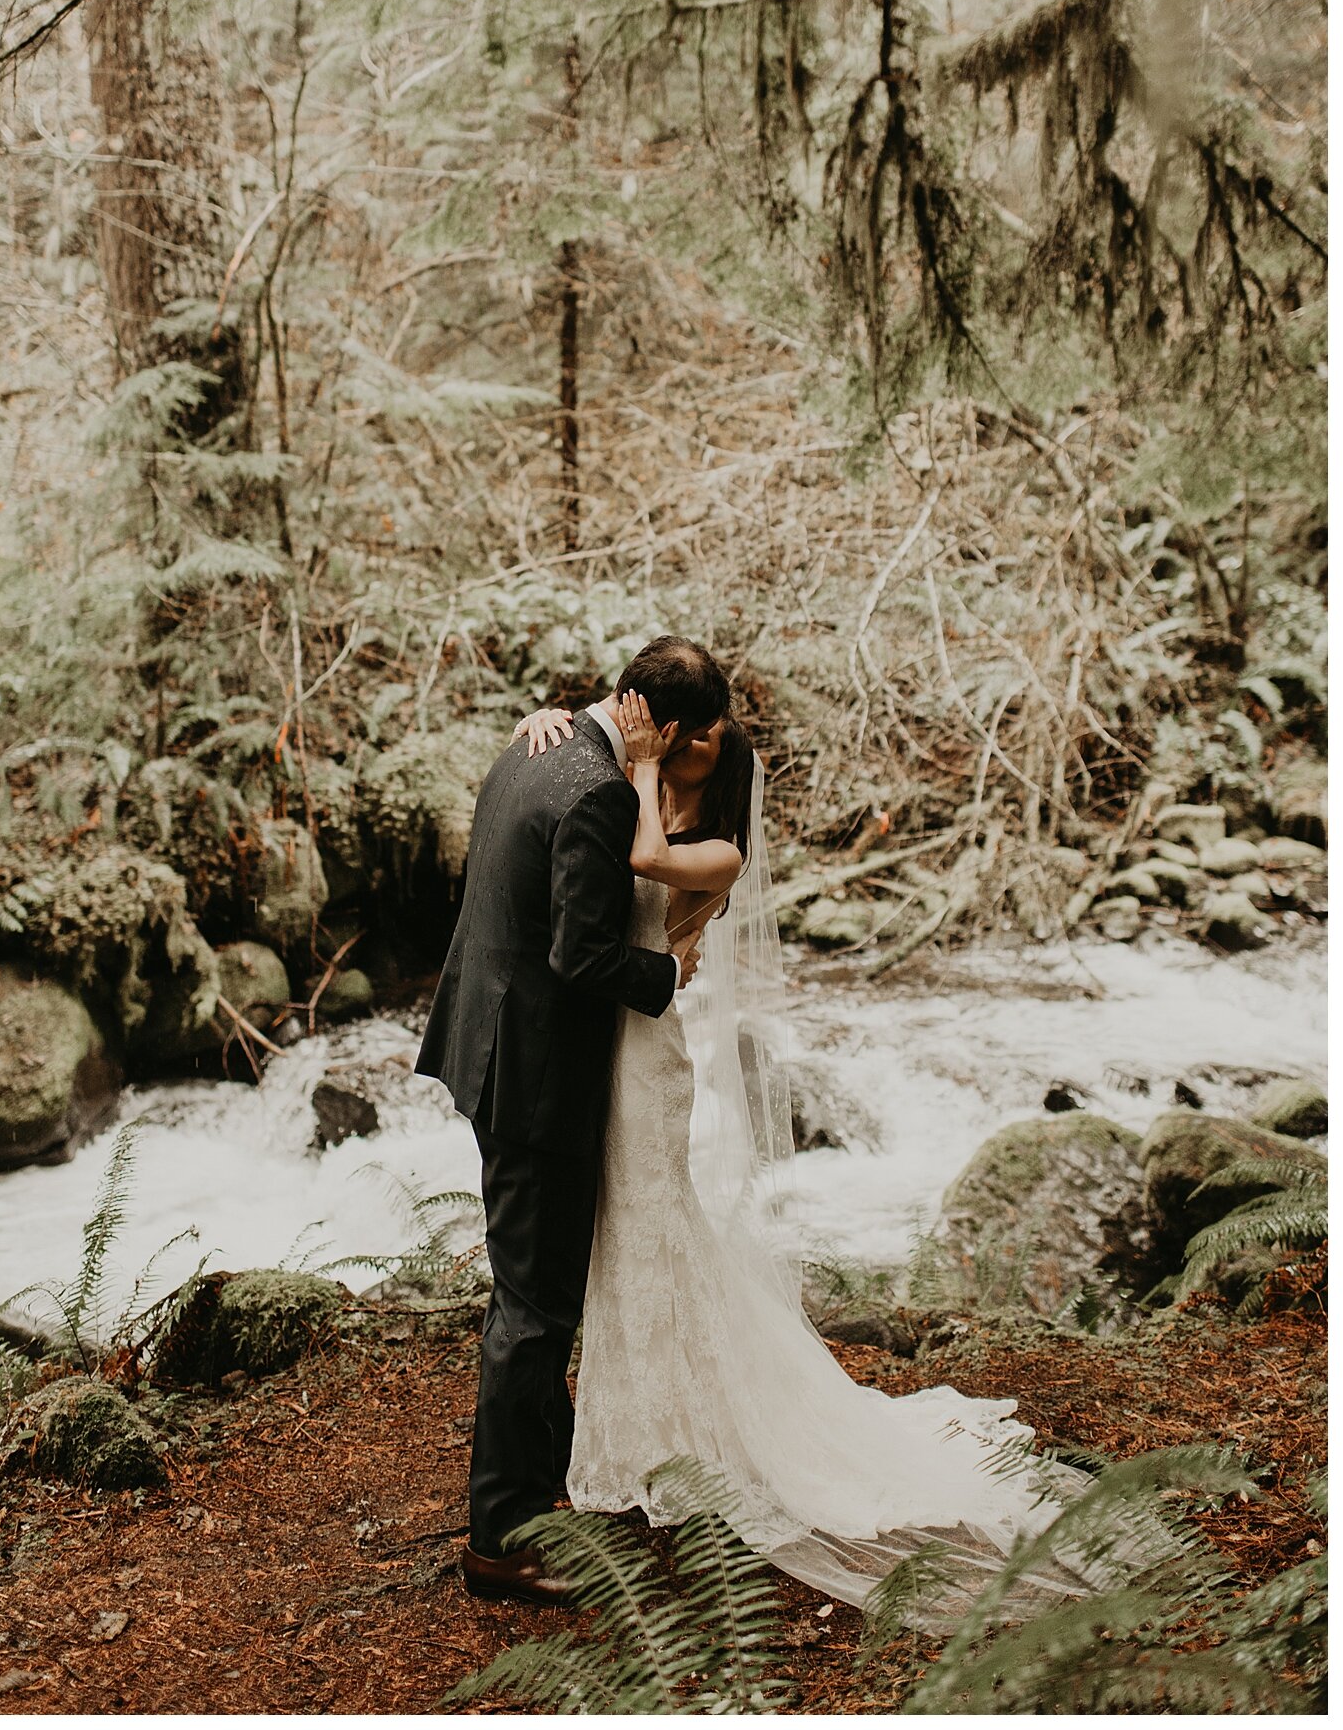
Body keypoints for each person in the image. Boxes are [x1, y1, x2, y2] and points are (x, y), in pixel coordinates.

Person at [511, 691, 1122, 1629]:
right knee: (624, 1238)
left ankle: (677, 1439)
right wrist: (555, 720)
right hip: (603, 1046)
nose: (681, 744)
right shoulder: (632, 791)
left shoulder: (717, 850)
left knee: (650, 1228)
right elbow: (591, 834)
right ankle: (638, 1426)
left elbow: (640, 863)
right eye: (683, 733)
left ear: (722, 769)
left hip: (644, 1056)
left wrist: (629, 760)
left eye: (702, 741)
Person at [414, 636, 730, 1606]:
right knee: (535, 1304)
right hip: (537, 1077)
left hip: (491, 1043)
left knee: (531, 1290)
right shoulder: (598, 789)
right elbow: (585, 953)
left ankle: (531, 1499)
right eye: (692, 744)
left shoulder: (537, 744)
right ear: (663, 729)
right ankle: (502, 1536)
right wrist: (667, 973)